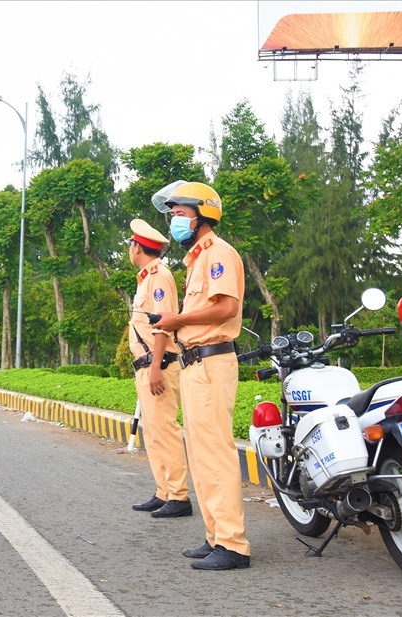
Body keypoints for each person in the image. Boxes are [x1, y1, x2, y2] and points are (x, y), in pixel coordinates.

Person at [153, 181, 250, 571]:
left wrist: (178, 319)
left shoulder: (218, 253)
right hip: (195, 363)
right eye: (172, 213)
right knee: (201, 453)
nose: (174, 220)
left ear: (201, 214)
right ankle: (216, 536)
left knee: (215, 453)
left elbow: (226, 307)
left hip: (211, 362)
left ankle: (232, 544)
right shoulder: (196, 260)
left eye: (179, 213)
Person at [126, 218, 192, 519]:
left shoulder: (159, 276)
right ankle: (164, 491)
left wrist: (154, 368)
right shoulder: (146, 278)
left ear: (137, 247)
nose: (130, 248)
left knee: (165, 430)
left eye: (131, 244)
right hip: (147, 366)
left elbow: (163, 325)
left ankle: (179, 496)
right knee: (153, 432)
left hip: (159, 366)